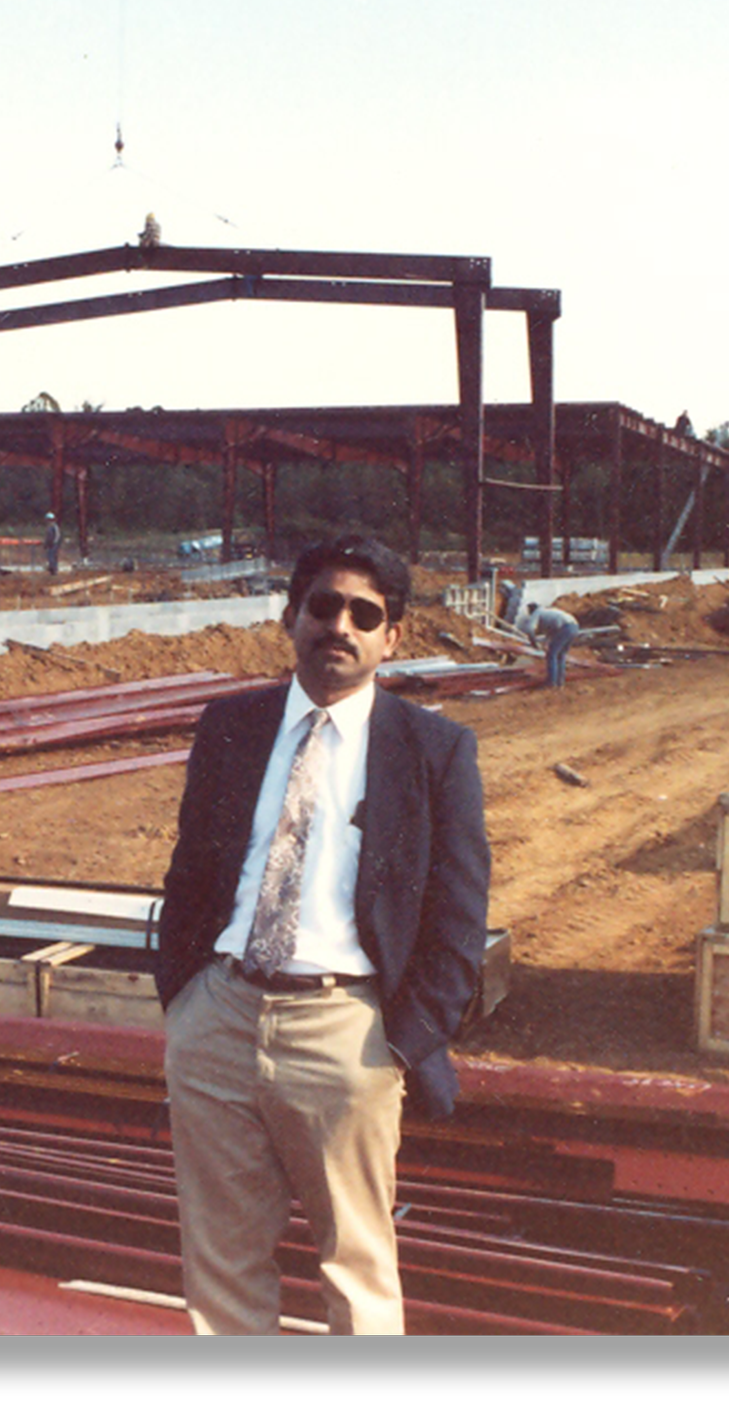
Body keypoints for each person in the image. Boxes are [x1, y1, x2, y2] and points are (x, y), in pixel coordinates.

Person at [155, 533, 491, 1335]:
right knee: (222, 1264)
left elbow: (459, 915)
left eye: (364, 613)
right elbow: (191, 872)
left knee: (358, 1267)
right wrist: (188, 1000)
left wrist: (401, 1041)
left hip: (349, 1033)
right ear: (292, 615)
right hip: (221, 1019)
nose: (340, 624)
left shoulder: (434, 749)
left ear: (391, 637)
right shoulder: (232, 725)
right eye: (324, 605)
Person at [526, 601, 581, 687]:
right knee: (561, 654)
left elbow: (529, 630)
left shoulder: (536, 613)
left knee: (551, 655)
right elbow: (552, 631)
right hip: (574, 626)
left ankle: (551, 682)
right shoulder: (548, 612)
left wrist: (534, 643)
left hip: (565, 628)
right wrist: (546, 643)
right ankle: (560, 681)